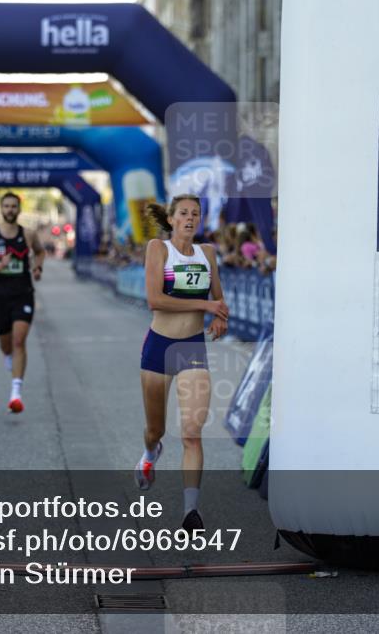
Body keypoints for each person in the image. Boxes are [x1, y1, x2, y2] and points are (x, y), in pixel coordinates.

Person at [135, 195, 229, 532]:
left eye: (195, 214)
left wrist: (219, 316)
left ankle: (191, 511)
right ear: (172, 219)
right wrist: (205, 307)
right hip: (159, 347)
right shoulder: (158, 249)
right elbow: (155, 299)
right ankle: (150, 453)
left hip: (192, 348)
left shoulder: (208, 253)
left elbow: (218, 299)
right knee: (156, 430)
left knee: (191, 432)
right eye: (184, 213)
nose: (190, 218)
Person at [0, 192, 44, 413]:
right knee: (6, 345)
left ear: (19, 209)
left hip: (23, 293)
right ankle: (7, 356)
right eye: (6, 206)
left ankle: (16, 394)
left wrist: (38, 267)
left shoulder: (29, 234)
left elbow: (40, 252)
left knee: (19, 341)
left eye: (14, 206)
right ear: (1, 209)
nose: (10, 210)